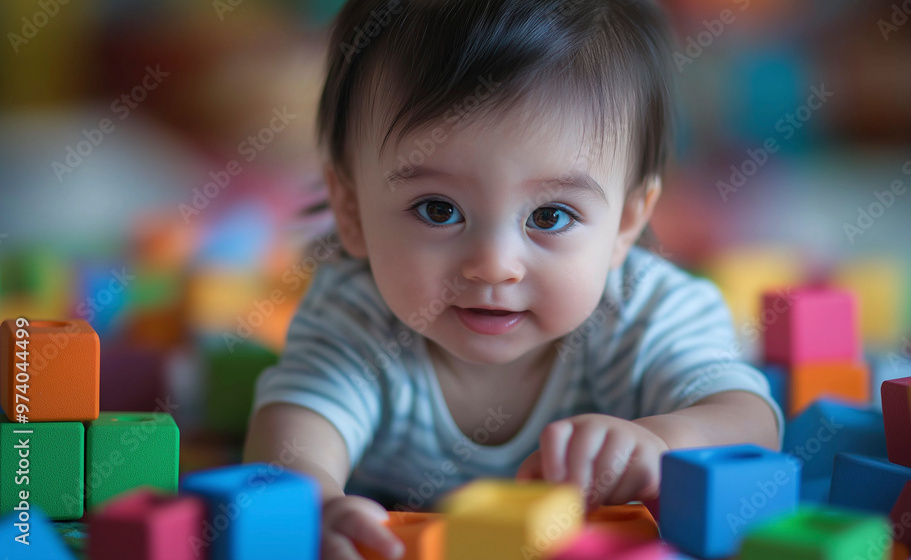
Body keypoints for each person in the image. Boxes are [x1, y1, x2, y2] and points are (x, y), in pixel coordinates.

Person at [244, 1, 782, 558]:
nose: (494, 264)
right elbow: (294, 431)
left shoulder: (645, 310)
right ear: (352, 210)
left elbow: (750, 422)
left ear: (627, 221)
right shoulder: (356, 313)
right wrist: (312, 503)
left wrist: (663, 441)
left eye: (550, 216)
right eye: (437, 209)